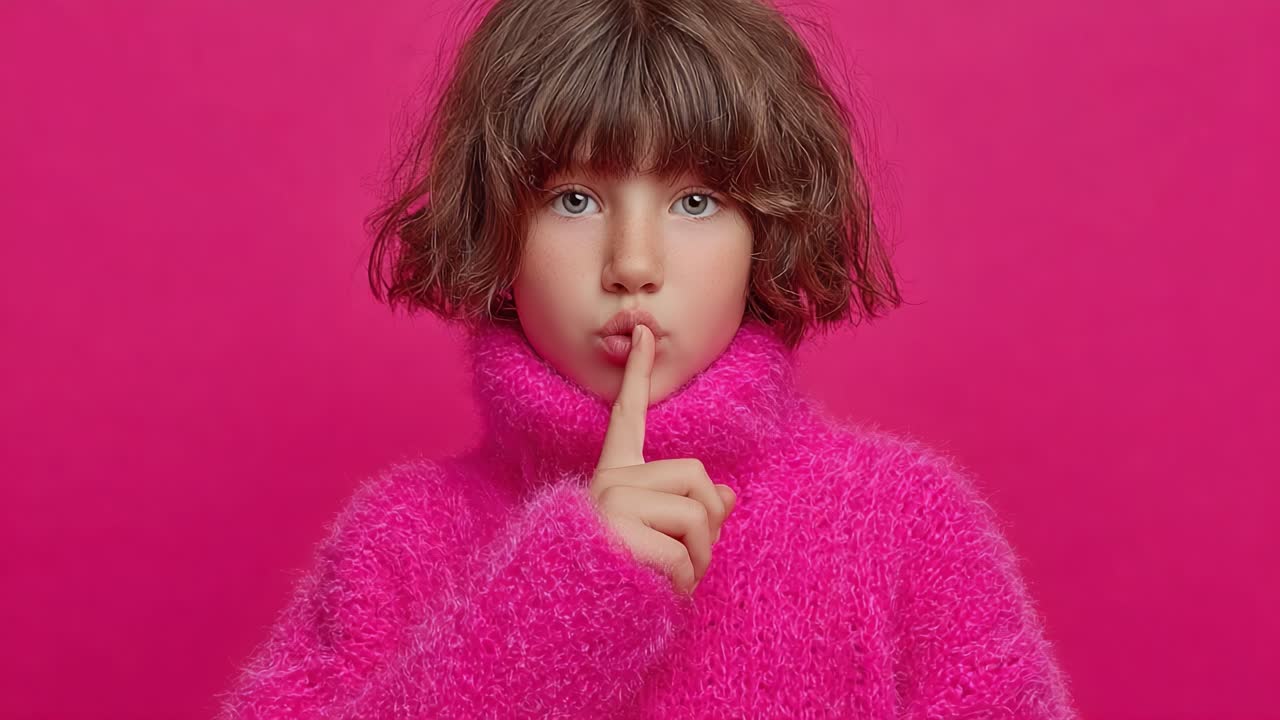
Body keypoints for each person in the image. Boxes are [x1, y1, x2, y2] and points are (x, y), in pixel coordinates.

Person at [214, 0, 1079, 716]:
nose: (634, 262)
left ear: (764, 234)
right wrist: (558, 600)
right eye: (576, 198)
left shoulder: (906, 526)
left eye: (695, 200)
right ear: (498, 227)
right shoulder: (395, 540)